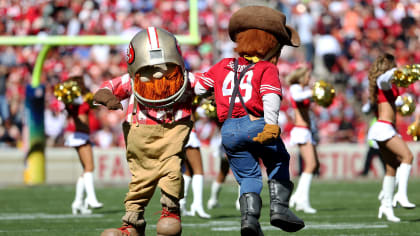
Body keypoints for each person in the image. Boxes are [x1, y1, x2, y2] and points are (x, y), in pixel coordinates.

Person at [194, 6, 305, 235]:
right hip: (256, 123)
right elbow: (270, 96)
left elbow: (197, 86)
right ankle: (280, 209)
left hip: (228, 132)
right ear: (269, 42)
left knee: (247, 176)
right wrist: (272, 124)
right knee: (278, 159)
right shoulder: (266, 68)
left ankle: (249, 220)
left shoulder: (222, 65)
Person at [95, 27, 195, 236]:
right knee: (140, 180)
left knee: (172, 171)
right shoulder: (132, 82)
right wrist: (107, 96)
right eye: (149, 71)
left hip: (172, 135)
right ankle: (133, 223)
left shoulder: (185, 81)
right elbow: (107, 88)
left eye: (166, 69)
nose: (159, 76)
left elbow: (209, 83)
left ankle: (170, 211)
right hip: (140, 141)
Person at [367, 53, 415, 223]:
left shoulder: (389, 86)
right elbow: (385, 78)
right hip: (383, 127)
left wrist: (405, 101)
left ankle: (386, 206)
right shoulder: (383, 80)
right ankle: (401, 195)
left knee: (391, 167)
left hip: (385, 127)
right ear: (388, 65)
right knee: (408, 157)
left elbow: (393, 102)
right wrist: (396, 70)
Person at [62, 76, 103, 215]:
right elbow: (73, 102)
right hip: (79, 135)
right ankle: (91, 198)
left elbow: (93, 104)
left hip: (83, 135)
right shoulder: (73, 100)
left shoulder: (82, 98)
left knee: (86, 170)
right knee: (90, 167)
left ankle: (78, 202)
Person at [286, 66, 319, 214]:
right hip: (300, 130)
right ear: (300, 77)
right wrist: (312, 93)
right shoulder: (295, 88)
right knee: (311, 165)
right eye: (307, 76)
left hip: (306, 130)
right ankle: (301, 199)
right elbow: (298, 98)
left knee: (313, 164)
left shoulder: (302, 89)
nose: (309, 79)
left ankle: (298, 197)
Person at [180, 127, 211, 218]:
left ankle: (182, 203)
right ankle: (197, 205)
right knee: (198, 171)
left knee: (187, 172)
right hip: (189, 131)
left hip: (178, 132)